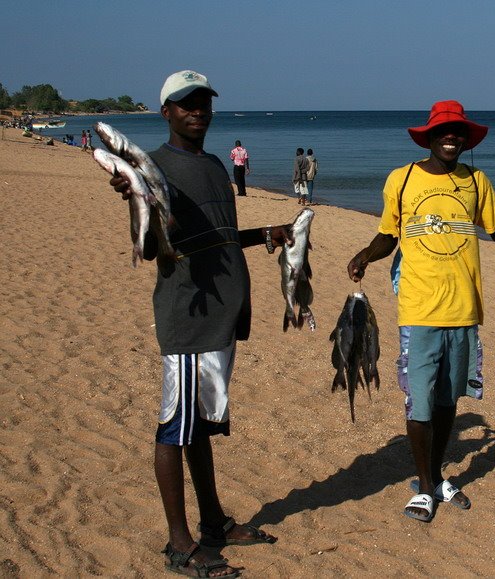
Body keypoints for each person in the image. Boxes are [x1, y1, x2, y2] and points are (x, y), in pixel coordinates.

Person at [107, 70, 294, 578]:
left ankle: (213, 523)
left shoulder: (214, 166)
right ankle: (178, 544)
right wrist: (135, 198)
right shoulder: (153, 170)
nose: (197, 111)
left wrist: (268, 232)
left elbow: (222, 236)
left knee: (201, 428)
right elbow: (149, 248)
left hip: (222, 321)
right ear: (165, 111)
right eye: (186, 104)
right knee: (174, 428)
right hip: (188, 319)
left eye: (204, 103)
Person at [347, 100, 495, 523]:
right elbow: (388, 235)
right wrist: (365, 255)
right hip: (419, 307)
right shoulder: (402, 179)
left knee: (447, 400)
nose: (451, 138)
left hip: (464, 309)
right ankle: (425, 487)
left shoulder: (476, 181)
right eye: (444, 131)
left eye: (458, 132)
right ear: (428, 136)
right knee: (419, 400)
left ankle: (436, 473)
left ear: (465, 140)